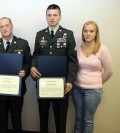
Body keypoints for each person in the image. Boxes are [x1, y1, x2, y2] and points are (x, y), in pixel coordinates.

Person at [30, 4, 78, 133]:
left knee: (60, 119)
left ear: (60, 17)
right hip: (43, 83)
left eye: (55, 15)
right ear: (46, 17)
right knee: (43, 118)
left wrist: (69, 81)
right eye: (49, 15)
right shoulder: (40, 35)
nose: (52, 18)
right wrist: (33, 67)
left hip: (61, 85)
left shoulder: (68, 34)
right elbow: (36, 55)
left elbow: (73, 61)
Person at [0, 17, 31, 133]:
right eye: (2, 26)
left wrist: (25, 71)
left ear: (12, 26)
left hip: (17, 90)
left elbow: (28, 63)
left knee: (16, 120)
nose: (4, 28)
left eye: (7, 25)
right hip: (1, 90)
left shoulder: (23, 43)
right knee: (2, 120)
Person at [72, 21, 113, 133]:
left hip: (93, 92)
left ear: (96, 33)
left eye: (91, 31)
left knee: (88, 120)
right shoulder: (77, 48)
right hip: (77, 89)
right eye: (85, 31)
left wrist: (97, 83)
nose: (88, 34)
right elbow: (73, 67)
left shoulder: (102, 49)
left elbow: (109, 71)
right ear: (83, 33)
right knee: (78, 117)